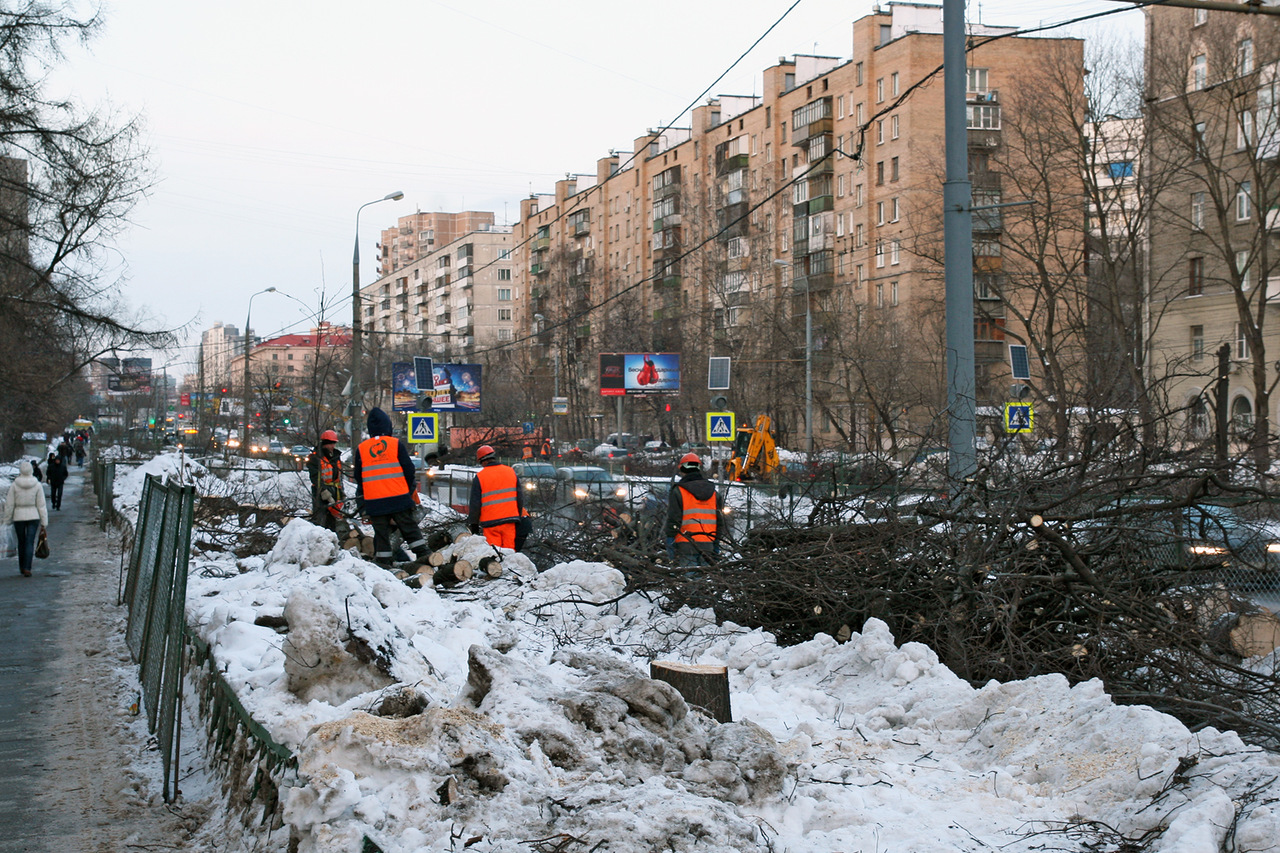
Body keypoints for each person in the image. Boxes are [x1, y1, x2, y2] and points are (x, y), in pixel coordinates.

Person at [352, 407, 430, 568]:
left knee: (381, 535)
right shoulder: (395, 444)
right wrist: (407, 492)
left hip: (375, 502)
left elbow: (359, 478)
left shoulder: (362, 449)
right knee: (409, 528)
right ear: (388, 427)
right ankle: (424, 555)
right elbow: (409, 470)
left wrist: (366, 502)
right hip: (398, 498)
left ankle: (383, 564)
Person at [664, 453, 725, 568]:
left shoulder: (679, 491)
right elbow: (720, 521)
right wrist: (716, 545)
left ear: (682, 469)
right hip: (708, 543)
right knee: (707, 580)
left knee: (690, 580)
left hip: (685, 544)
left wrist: (670, 542)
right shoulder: (713, 493)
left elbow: (674, 519)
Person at [466, 445, 526, 550]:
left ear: (482, 461)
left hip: (490, 524)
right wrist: (518, 516)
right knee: (509, 553)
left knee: (494, 555)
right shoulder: (510, 472)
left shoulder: (480, 477)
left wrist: (474, 524)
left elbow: (475, 504)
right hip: (510, 521)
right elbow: (519, 498)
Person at [3, 460, 48, 577]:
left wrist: (7, 519)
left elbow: (9, 504)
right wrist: (44, 522)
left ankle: (22, 567)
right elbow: (41, 505)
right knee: (29, 542)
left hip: (19, 517)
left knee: (21, 542)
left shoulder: (14, 485)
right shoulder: (37, 485)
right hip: (33, 516)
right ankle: (28, 567)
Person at [306, 429, 349, 539]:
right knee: (321, 518)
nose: (332, 446)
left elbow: (338, 476)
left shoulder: (335, 456)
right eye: (330, 443)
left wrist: (340, 492)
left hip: (334, 490)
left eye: (333, 443)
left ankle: (333, 540)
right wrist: (323, 491)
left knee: (333, 519)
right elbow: (315, 476)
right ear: (324, 443)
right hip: (320, 492)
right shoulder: (316, 457)